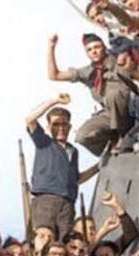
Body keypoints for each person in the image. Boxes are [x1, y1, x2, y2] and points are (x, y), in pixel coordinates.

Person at [48, 33, 134, 156]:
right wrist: (51, 47)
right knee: (82, 136)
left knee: (112, 95)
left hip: (129, 109)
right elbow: (54, 75)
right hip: (109, 114)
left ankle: (119, 137)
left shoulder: (118, 59)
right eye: (89, 50)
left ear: (104, 47)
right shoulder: (89, 72)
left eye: (96, 47)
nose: (93, 52)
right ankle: (108, 149)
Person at [25, 94, 95, 241]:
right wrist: (54, 101)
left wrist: (99, 166)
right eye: (56, 124)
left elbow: (77, 179)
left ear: (69, 126)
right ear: (48, 127)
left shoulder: (73, 151)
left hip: (68, 204)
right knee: (44, 242)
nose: (61, 128)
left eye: (64, 124)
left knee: (65, 245)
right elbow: (30, 119)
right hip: (45, 201)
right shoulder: (44, 142)